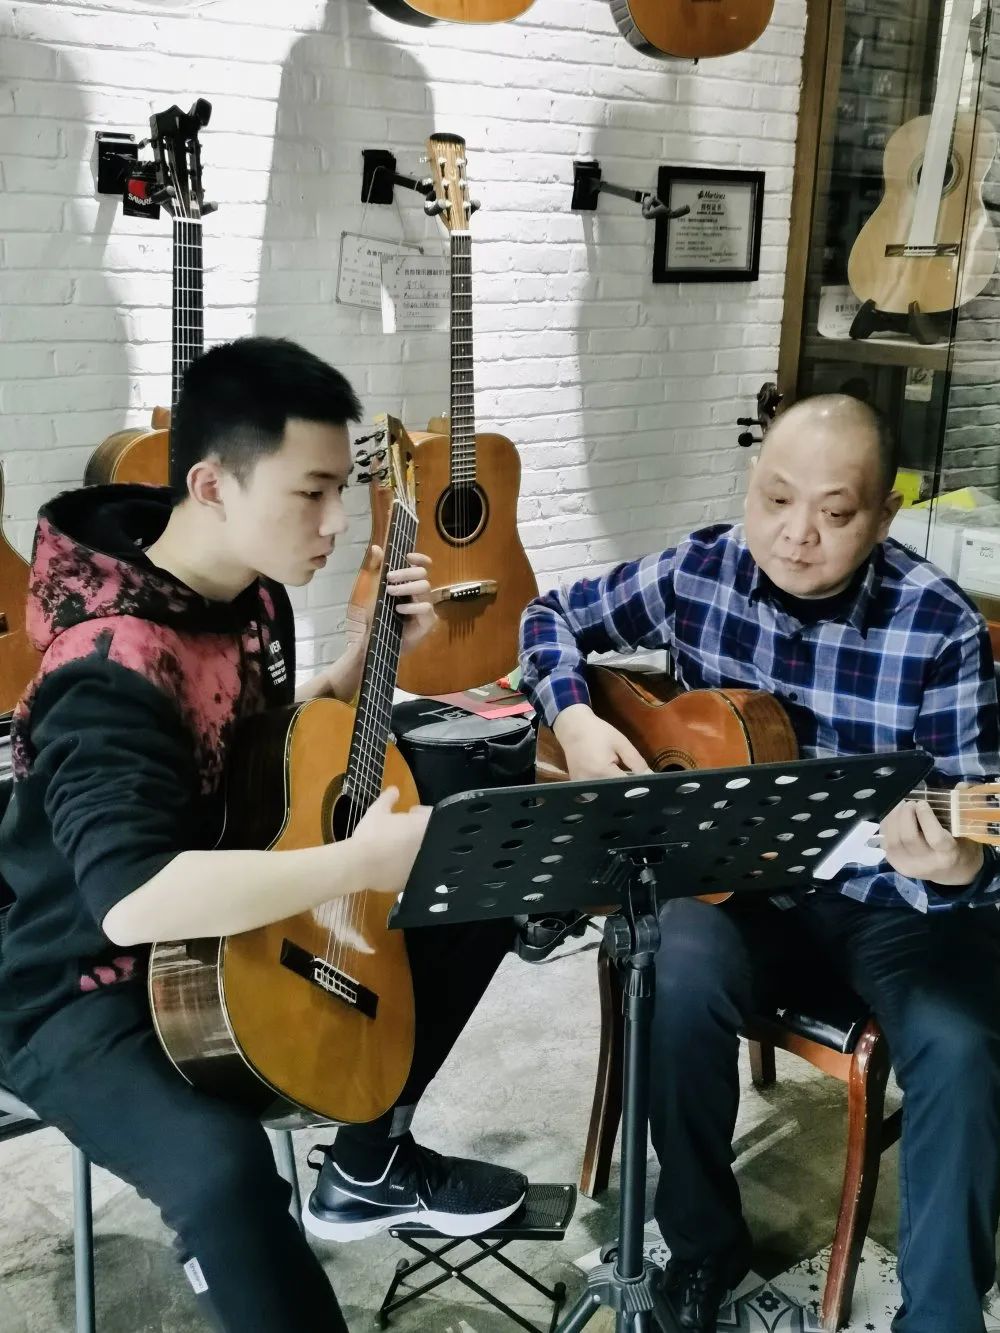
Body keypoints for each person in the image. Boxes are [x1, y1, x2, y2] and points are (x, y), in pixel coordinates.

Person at [0, 337, 524, 1333]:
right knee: (224, 1168)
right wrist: (350, 863)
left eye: (343, 490)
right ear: (211, 484)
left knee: (470, 899)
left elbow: (253, 752)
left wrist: (362, 661)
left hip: (225, 927)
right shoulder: (104, 670)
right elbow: (131, 900)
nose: (337, 522)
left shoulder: (250, 594)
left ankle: (367, 1161)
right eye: (311, 493)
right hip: (80, 985)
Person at [519, 394, 1000, 1333]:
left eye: (836, 510)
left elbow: (978, 848)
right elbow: (548, 617)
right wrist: (573, 718)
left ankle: (941, 1317)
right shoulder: (699, 570)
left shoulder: (936, 626)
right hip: (735, 887)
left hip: (892, 904)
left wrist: (955, 865)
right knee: (666, 961)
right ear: (750, 485)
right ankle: (703, 1246)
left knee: (965, 1046)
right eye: (777, 499)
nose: (797, 533)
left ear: (885, 514)